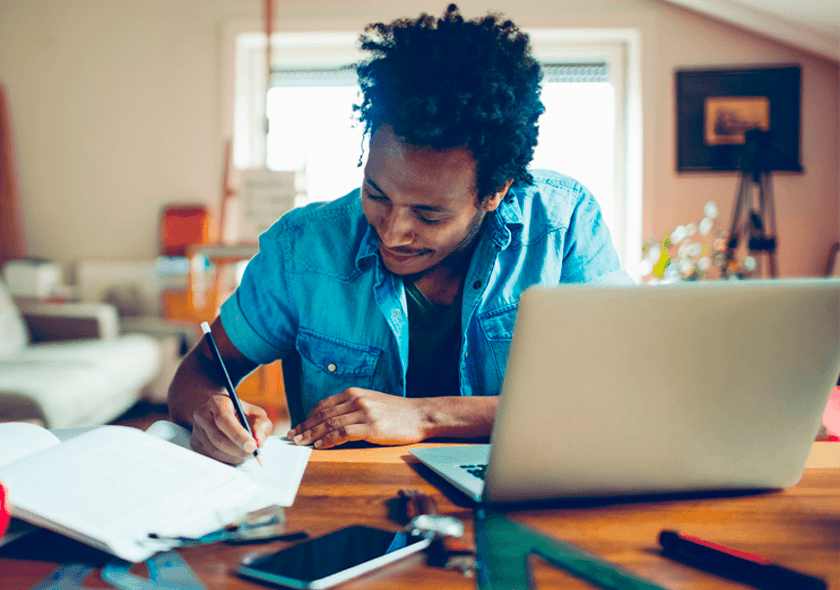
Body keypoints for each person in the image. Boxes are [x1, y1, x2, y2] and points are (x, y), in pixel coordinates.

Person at [168, 4, 632, 464]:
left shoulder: (561, 225)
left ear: (495, 192)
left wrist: (429, 415)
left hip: (522, 507)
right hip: (347, 519)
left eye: (429, 215)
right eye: (377, 194)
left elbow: (620, 397)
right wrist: (211, 410)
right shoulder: (302, 250)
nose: (393, 232)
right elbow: (199, 372)